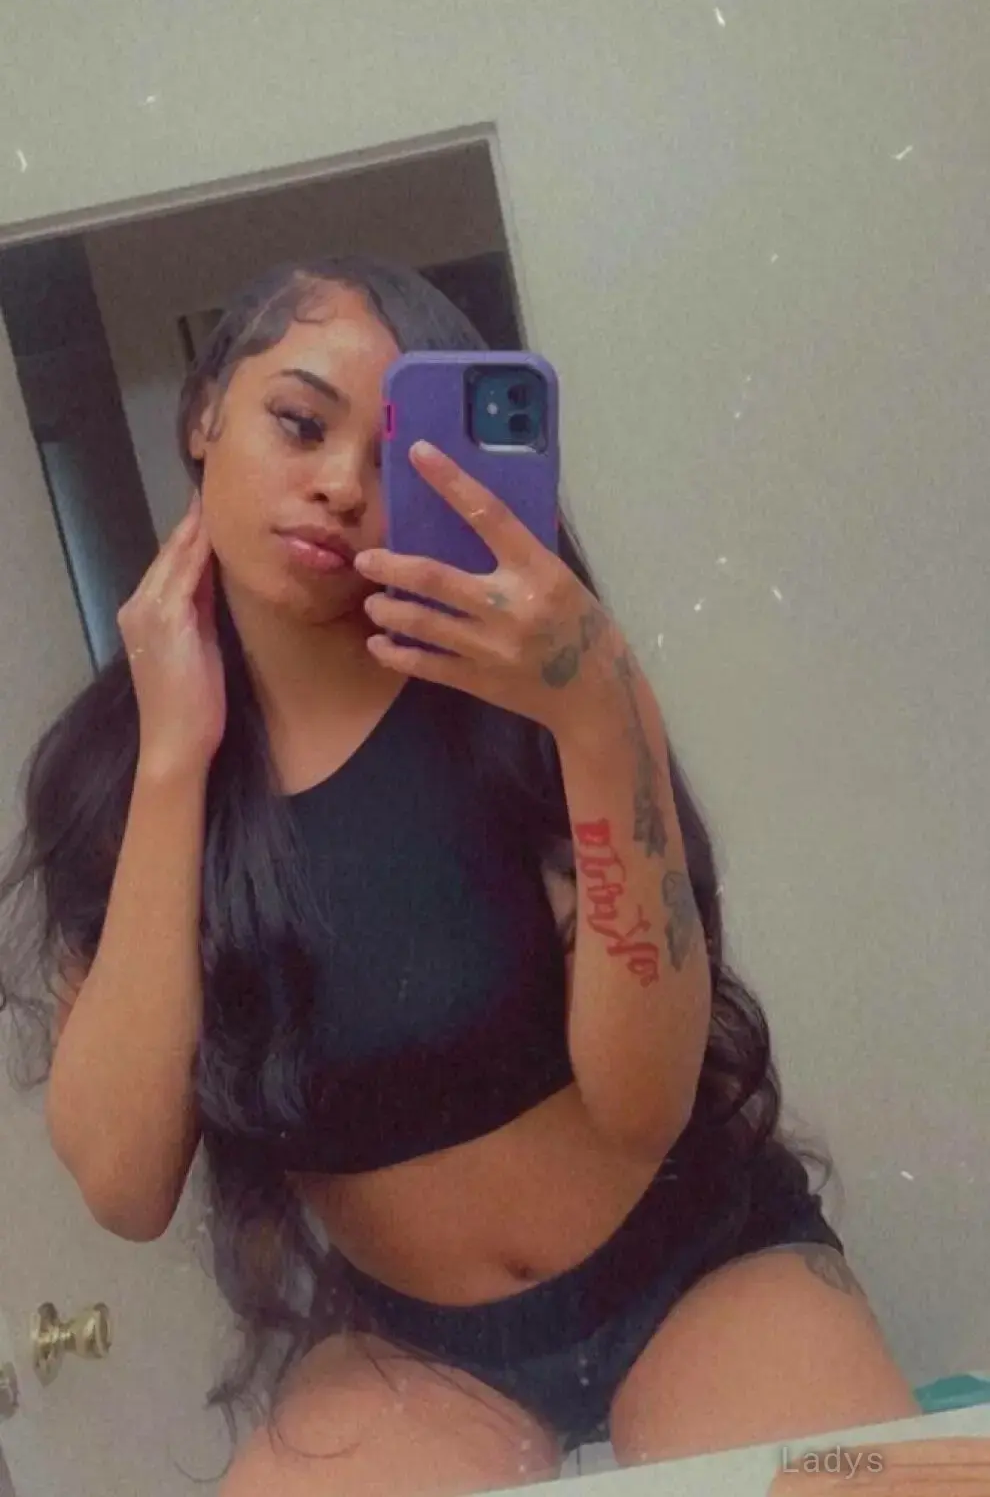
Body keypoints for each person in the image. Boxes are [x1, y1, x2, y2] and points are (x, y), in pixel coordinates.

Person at [0, 257, 917, 1495]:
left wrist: (599, 715)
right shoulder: (113, 783)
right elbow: (123, 1183)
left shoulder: (521, 695)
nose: (343, 485)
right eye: (301, 423)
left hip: (702, 1268)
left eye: (395, 458)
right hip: (416, 1353)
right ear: (204, 412)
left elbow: (643, 1104)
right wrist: (174, 757)